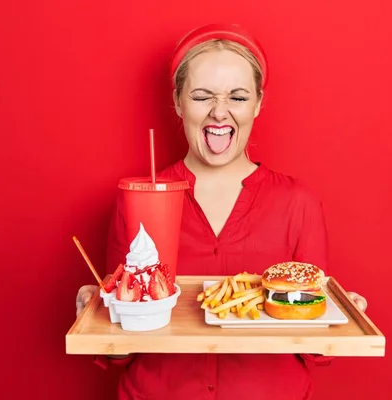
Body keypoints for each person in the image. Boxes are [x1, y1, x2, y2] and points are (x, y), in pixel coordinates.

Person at [75, 23, 368, 400]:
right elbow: (120, 348)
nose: (219, 112)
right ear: (178, 101)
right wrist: (99, 313)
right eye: (201, 96)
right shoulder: (138, 198)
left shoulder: (299, 201)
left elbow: (314, 347)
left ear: (259, 103)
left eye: (238, 97)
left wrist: (337, 312)